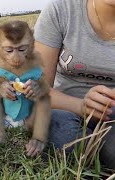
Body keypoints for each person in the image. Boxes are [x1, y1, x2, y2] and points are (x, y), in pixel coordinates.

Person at [34, 0, 115, 168]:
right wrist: (81, 105)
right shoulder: (61, 10)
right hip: (66, 108)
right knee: (70, 141)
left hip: (111, 112)